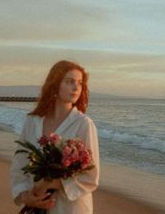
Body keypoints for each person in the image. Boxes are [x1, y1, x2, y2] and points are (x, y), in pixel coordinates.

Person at [10, 60, 100, 214]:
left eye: (80, 83)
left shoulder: (84, 124)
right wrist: (26, 197)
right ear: (55, 84)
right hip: (34, 205)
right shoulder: (33, 121)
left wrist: (50, 183)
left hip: (70, 209)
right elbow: (19, 165)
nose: (76, 87)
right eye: (70, 81)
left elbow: (91, 177)